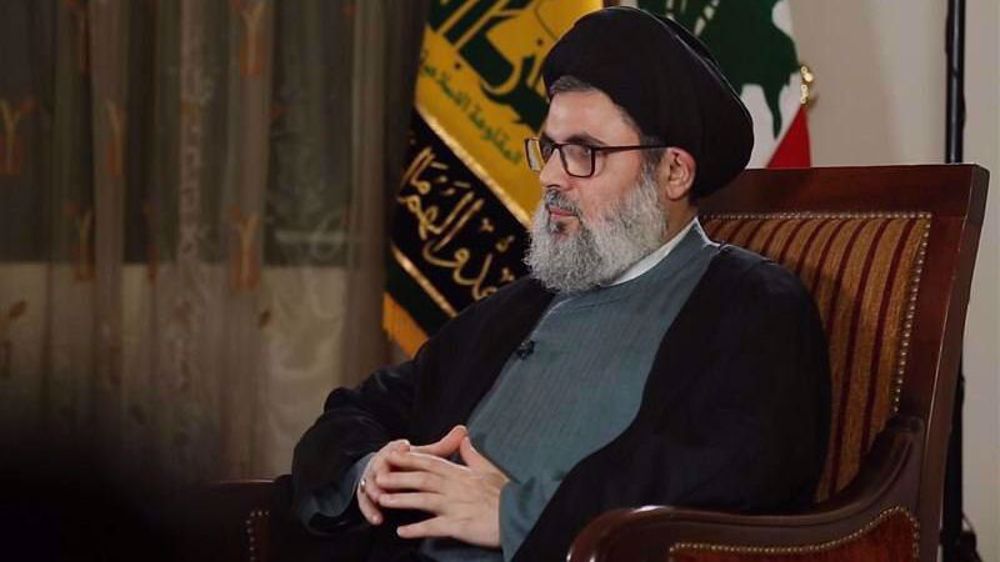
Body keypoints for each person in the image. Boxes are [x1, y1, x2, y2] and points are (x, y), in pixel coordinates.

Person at [292, 7, 830, 562]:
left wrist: (514, 513)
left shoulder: (752, 308)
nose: (550, 176)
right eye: (550, 149)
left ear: (673, 172)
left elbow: (733, 482)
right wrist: (371, 471)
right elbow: (355, 411)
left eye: (584, 153)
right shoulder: (523, 305)